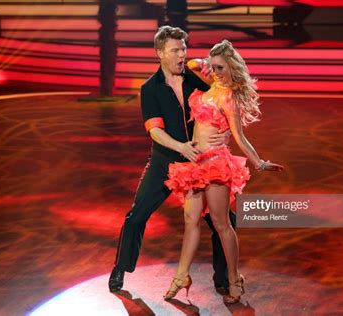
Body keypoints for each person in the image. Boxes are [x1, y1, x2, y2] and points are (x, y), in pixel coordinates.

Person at [108, 26, 236, 294]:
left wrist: (225, 136)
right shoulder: (150, 88)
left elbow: (220, 104)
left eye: (183, 49)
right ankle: (121, 267)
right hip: (165, 162)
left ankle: (223, 278)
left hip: (199, 164)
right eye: (175, 50)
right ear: (160, 53)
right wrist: (181, 147)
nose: (181, 54)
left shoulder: (195, 81)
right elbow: (155, 131)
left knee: (224, 221)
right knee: (136, 215)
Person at [163, 40, 284, 304]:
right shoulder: (210, 87)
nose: (216, 72)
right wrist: (209, 62)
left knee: (221, 224)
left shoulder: (228, 96)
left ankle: (234, 278)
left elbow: (239, 136)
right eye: (214, 67)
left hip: (216, 165)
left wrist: (258, 162)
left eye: (221, 68)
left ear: (232, 68)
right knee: (190, 222)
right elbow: (193, 64)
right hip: (195, 164)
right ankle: (181, 276)